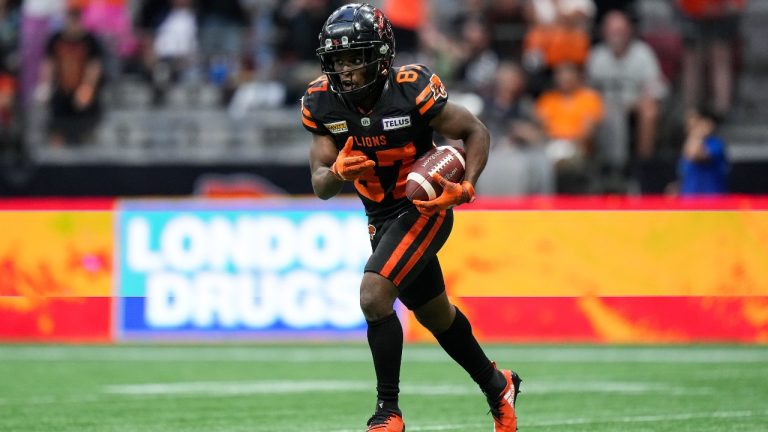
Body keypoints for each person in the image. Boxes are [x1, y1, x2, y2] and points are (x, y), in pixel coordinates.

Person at [301, 4, 520, 432]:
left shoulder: (411, 87)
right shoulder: (321, 102)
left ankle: (388, 411)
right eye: (338, 60)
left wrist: (467, 185)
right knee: (436, 315)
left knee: (373, 294)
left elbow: (476, 131)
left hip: (425, 205)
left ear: (382, 58)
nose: (344, 71)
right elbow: (320, 184)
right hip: (380, 216)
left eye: (354, 58)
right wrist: (337, 173)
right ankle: (499, 385)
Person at [587, 10, 667, 182]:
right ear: (604, 32)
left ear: (629, 31)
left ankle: (643, 166)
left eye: (620, 31)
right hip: (604, 107)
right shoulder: (597, 56)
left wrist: (636, 102)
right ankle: (599, 169)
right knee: (587, 113)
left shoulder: (643, 54)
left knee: (649, 111)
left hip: (633, 105)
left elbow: (657, 88)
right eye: (613, 31)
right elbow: (588, 91)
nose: (617, 36)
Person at [37, 3, 104, 146]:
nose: (73, 22)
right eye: (71, 17)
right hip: (61, 91)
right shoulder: (55, 39)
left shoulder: (90, 40)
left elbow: (94, 66)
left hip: (82, 91)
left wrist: (87, 88)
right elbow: (48, 64)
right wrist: (45, 85)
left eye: (77, 18)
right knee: (55, 127)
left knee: (86, 128)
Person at [535, 62, 604, 193]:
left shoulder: (589, 98)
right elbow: (541, 128)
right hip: (549, 145)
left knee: (562, 161)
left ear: (578, 78)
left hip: (577, 147)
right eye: (561, 77)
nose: (565, 80)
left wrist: (568, 145)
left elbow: (588, 132)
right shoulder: (547, 100)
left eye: (569, 77)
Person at [676, 105, 729, 195]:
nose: (691, 127)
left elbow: (695, 155)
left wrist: (697, 135)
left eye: (696, 123)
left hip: (712, 201)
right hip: (690, 201)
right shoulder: (687, 144)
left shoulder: (715, 144)